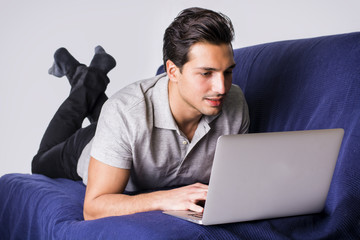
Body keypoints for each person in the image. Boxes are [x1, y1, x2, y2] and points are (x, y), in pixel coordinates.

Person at [32, 7, 250, 221]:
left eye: (228, 71)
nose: (222, 87)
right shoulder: (124, 112)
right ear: (173, 71)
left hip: (127, 131)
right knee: (39, 163)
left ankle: (89, 75)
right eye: (206, 73)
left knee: (125, 121)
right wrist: (164, 198)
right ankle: (86, 78)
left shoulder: (235, 102)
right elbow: (93, 209)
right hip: (89, 144)